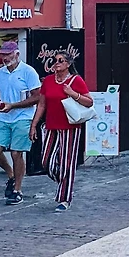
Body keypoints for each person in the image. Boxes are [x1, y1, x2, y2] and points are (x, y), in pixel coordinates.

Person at [31, 50, 92, 211]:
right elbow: (42, 104)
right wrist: (34, 125)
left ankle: (65, 199)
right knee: (46, 161)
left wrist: (73, 94)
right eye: (55, 60)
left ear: (68, 64)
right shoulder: (48, 81)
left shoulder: (76, 80)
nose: (56, 63)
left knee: (67, 162)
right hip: (51, 125)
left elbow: (89, 102)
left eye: (60, 60)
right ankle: (65, 181)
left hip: (70, 126)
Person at [0, 40, 41, 206]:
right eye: (3, 55)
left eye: (8, 54)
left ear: (17, 54)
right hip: (3, 117)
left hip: (23, 116)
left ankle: (17, 190)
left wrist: (14, 105)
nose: (5, 58)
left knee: (17, 153)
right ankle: (11, 174)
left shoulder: (28, 72)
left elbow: (37, 97)